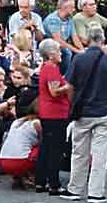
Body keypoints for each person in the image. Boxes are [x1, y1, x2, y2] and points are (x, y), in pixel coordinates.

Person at [60, 26, 107, 203]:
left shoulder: (78, 59)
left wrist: (73, 104)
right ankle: (96, 192)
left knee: (79, 153)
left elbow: (70, 86)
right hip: (105, 111)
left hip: (83, 111)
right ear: (102, 39)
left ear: (88, 39)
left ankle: (75, 189)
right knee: (100, 155)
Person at [34, 38, 71, 195]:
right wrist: (69, 86)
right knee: (55, 149)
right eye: (58, 50)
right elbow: (54, 91)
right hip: (55, 114)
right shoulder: (51, 68)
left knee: (46, 147)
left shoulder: (47, 68)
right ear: (50, 54)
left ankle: (41, 181)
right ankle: (54, 184)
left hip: (49, 113)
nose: (60, 53)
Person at [0, 96, 40, 190]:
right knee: (45, 148)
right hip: (20, 162)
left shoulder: (16, 121)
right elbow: (44, 143)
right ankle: (33, 177)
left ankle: (18, 177)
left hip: (3, 160)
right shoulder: (37, 123)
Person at [43, 0, 83, 75]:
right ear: (65, 8)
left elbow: (75, 38)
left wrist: (83, 51)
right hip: (49, 45)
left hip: (62, 45)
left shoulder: (69, 19)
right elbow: (58, 40)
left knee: (79, 54)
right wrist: (77, 51)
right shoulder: (53, 19)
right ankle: (63, 76)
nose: (74, 10)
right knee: (67, 53)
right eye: (72, 7)